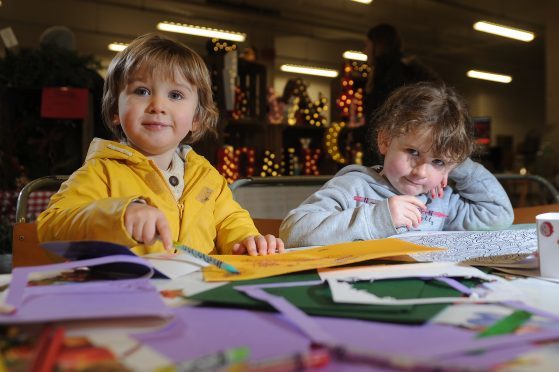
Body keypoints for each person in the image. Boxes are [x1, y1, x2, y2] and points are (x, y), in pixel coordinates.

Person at [38, 33, 284, 256]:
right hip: (133, 296)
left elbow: (230, 220)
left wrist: (247, 240)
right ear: (115, 109)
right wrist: (119, 214)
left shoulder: (207, 176)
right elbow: (52, 226)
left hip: (200, 294)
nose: (158, 105)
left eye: (175, 95)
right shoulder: (101, 172)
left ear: (196, 118)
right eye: (142, 91)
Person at [280, 82, 514, 247]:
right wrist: (377, 218)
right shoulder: (354, 187)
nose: (421, 171)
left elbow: (499, 215)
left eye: (437, 162)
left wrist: (457, 165)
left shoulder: (441, 201)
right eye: (413, 152)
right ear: (385, 140)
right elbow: (293, 231)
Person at [359, 23, 440, 166]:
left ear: (378, 45)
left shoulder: (392, 75)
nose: (364, 51)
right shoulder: (396, 70)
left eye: (367, 45)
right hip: (390, 152)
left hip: (386, 156)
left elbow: (382, 119)